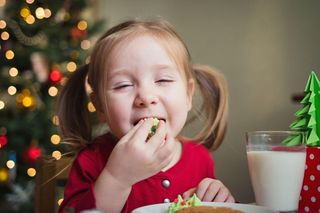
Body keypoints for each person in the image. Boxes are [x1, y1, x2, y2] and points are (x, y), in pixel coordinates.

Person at [57, 19, 234, 213]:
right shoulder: (91, 161)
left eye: (163, 79)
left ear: (188, 95)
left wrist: (218, 200)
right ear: (99, 107)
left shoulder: (201, 159)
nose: (146, 98)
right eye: (123, 85)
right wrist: (117, 178)